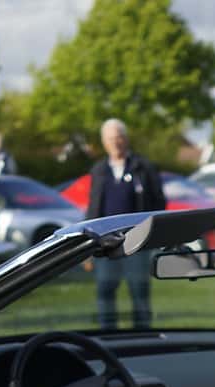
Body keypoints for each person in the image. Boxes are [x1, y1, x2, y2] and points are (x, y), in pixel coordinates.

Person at [82, 118, 165, 330]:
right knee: (106, 291)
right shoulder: (99, 170)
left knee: (139, 292)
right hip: (106, 243)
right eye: (110, 139)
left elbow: (158, 203)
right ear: (104, 142)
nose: (115, 143)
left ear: (126, 139)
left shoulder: (142, 168)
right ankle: (108, 338)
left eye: (119, 137)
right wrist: (89, 248)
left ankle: (143, 336)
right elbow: (93, 209)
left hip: (137, 242)